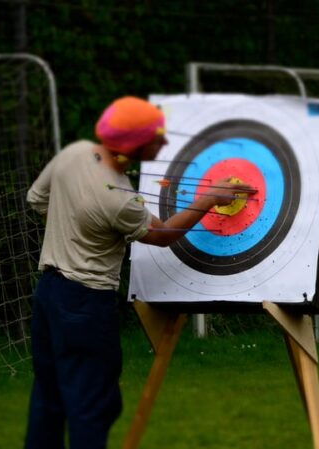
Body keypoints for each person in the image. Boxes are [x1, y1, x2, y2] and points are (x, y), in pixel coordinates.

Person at [24, 96, 251, 448]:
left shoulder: (73, 153)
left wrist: (73, 229)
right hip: (85, 302)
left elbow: (37, 199)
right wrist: (207, 200)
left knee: (48, 397)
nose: (163, 143)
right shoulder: (119, 199)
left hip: (49, 295)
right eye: (157, 137)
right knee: (93, 404)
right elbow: (161, 235)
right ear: (135, 143)